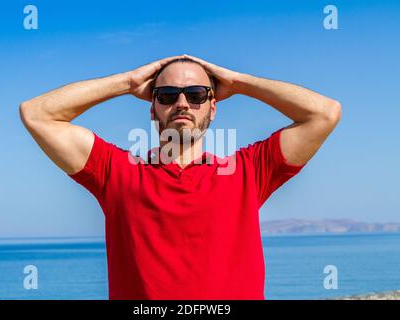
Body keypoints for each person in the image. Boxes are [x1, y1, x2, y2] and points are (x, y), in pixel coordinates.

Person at [19, 54, 341, 299]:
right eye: (168, 95)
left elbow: (324, 114)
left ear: (213, 107)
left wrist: (237, 81)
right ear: (152, 107)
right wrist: (129, 82)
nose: (183, 103)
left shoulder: (248, 171)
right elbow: (37, 114)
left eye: (197, 94)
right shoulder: (116, 173)